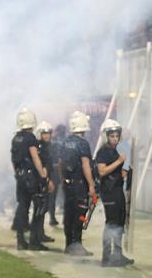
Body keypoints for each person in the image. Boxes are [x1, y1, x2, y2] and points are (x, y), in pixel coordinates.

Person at [95, 119, 135, 267]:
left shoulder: (117, 150)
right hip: (109, 191)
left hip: (118, 189)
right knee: (111, 223)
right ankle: (106, 256)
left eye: (117, 136)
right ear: (106, 136)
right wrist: (119, 161)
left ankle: (117, 254)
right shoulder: (103, 151)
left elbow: (122, 171)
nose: (115, 138)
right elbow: (102, 171)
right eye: (112, 136)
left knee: (119, 222)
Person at [11, 109, 50, 251]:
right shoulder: (30, 138)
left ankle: (20, 241)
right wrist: (43, 175)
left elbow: (14, 160)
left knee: (22, 208)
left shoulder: (15, 138)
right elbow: (35, 157)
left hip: (20, 177)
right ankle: (34, 240)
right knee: (39, 207)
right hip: (31, 177)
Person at [60, 111, 95, 256]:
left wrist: (63, 179)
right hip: (80, 185)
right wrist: (91, 185)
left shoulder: (64, 142)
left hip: (68, 184)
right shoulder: (83, 144)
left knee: (68, 214)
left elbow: (61, 163)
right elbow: (86, 165)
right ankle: (77, 245)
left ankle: (68, 244)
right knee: (80, 214)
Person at [30, 121, 56, 245]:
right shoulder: (40, 148)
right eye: (44, 133)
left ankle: (39, 234)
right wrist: (47, 180)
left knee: (42, 209)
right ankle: (35, 236)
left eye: (48, 133)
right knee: (39, 209)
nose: (47, 136)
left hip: (44, 180)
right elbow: (42, 167)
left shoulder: (47, 146)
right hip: (40, 181)